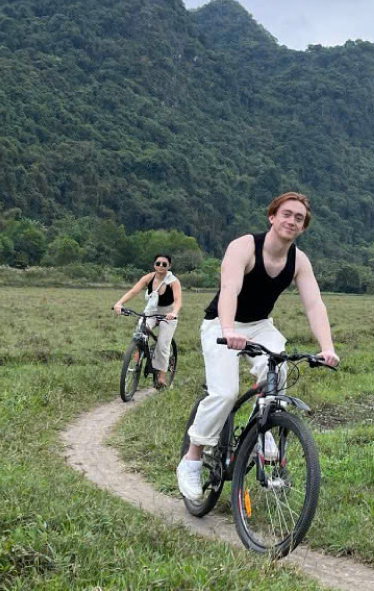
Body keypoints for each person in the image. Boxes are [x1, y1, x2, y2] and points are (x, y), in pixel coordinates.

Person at [177, 192, 339, 501]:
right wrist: (228, 329)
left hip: (260, 325)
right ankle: (192, 458)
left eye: (299, 218)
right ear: (272, 217)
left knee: (278, 370)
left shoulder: (298, 261)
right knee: (224, 393)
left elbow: (314, 305)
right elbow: (229, 289)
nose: (292, 220)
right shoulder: (244, 247)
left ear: (303, 228)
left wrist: (327, 347)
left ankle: (263, 430)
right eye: (287, 214)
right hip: (221, 323)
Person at [113, 253, 181, 388]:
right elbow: (133, 291)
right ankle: (137, 355)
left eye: (164, 264)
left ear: (169, 266)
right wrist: (119, 303)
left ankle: (161, 375)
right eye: (158, 263)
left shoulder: (173, 281)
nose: (161, 266)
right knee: (139, 333)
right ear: (154, 265)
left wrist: (173, 313)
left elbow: (178, 301)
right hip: (150, 313)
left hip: (167, 315)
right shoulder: (148, 278)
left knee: (162, 345)